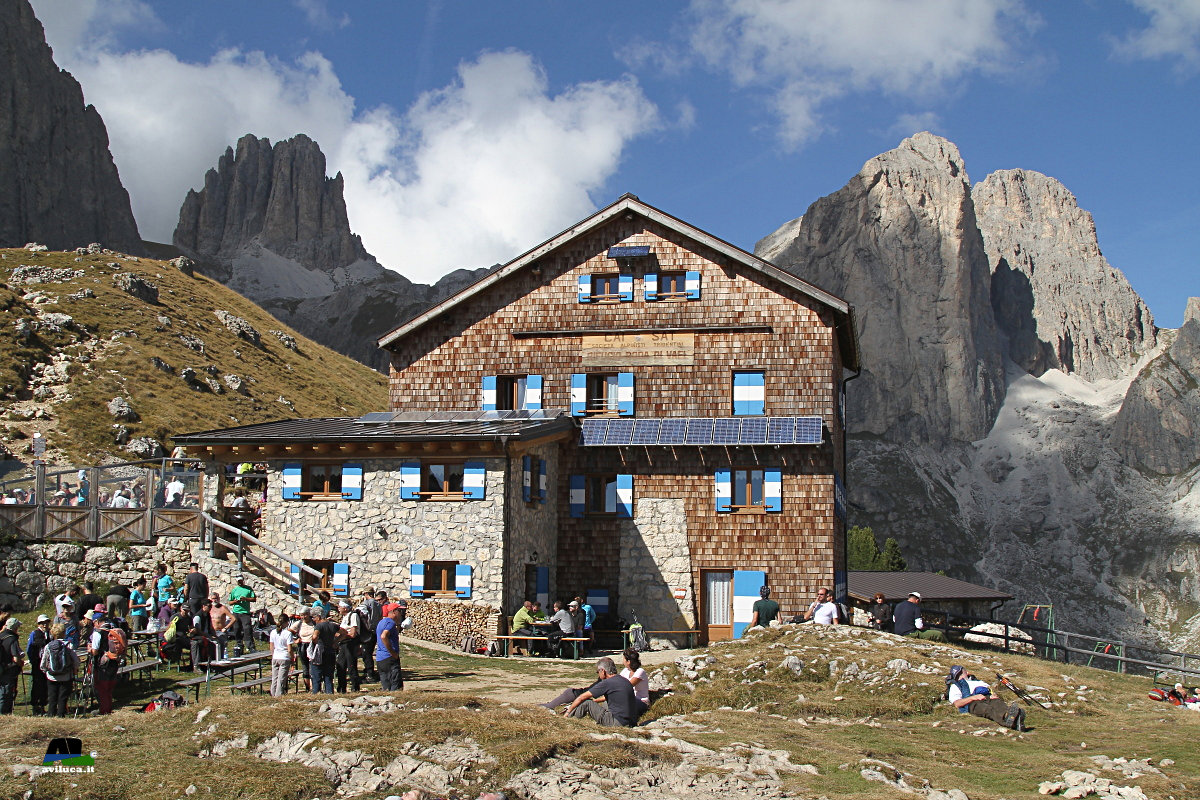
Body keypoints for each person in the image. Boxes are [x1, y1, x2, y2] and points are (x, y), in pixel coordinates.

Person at [561, 657, 641, 727]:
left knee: (587, 703)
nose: (598, 674)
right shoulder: (625, 680)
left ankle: (569, 720)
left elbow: (582, 697)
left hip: (618, 723)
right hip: (631, 722)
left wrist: (568, 711)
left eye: (598, 672)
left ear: (603, 671)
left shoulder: (607, 683)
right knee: (606, 703)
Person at [947, 665, 1026, 731]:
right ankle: (1012, 719)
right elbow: (957, 703)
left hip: (988, 698)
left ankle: (1012, 717)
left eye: (961, 674)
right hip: (972, 703)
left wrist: (993, 694)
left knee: (998, 703)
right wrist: (974, 698)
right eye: (957, 676)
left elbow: (990, 690)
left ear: (967, 673)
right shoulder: (955, 686)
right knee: (986, 709)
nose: (960, 677)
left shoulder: (980, 682)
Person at [41, 623, 79, 717]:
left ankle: (51, 714)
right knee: (63, 697)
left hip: (52, 676)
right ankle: (61, 715)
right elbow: (76, 660)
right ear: (64, 633)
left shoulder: (48, 646)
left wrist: (45, 670)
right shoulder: (68, 645)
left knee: (52, 697)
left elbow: (43, 662)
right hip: (66, 675)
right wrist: (75, 669)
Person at [89, 614, 121, 715]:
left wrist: (90, 649)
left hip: (103, 664)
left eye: (93, 623)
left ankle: (104, 710)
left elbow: (95, 651)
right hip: (114, 661)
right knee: (109, 687)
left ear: (97, 622)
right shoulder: (113, 629)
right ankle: (108, 707)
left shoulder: (98, 632)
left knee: (101, 687)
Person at [307, 608, 344, 694]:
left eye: (313, 617)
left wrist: (315, 643)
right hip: (330, 651)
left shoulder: (319, 626)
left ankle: (316, 693)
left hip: (320, 652)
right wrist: (336, 641)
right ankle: (329, 693)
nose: (312, 620)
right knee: (328, 676)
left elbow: (315, 636)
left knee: (316, 674)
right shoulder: (333, 625)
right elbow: (344, 633)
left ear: (318, 617)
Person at [375, 604, 405, 691]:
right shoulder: (390, 622)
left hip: (380, 658)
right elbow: (384, 636)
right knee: (396, 686)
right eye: (399, 611)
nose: (401, 613)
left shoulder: (381, 622)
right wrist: (393, 653)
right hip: (389, 658)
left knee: (386, 687)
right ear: (394, 612)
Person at [336, 600, 362, 693]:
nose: (338, 608)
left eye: (340, 606)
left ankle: (355, 687)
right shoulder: (345, 617)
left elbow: (353, 633)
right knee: (340, 665)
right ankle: (341, 687)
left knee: (351, 665)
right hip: (343, 644)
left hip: (351, 643)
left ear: (345, 608)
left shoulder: (353, 616)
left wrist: (342, 636)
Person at [27, 614, 51, 716]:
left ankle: (42, 705)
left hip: (46, 664)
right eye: (42, 623)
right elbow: (29, 649)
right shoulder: (34, 634)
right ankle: (35, 706)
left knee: (45, 685)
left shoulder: (50, 633)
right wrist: (33, 660)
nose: (45, 625)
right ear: (38, 624)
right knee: (37, 685)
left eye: (46, 623)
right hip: (37, 663)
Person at [357, 589, 382, 682]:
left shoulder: (366, 604)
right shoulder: (379, 604)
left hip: (367, 632)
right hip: (375, 631)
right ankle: (369, 672)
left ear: (366, 593)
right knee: (369, 652)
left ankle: (369, 674)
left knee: (366, 653)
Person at [0, 618, 24, 714]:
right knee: (6, 694)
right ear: (15, 628)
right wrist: (21, 663)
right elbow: (16, 658)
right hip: (8, 669)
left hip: (1, 667)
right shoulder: (12, 639)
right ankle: (4, 714)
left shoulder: (1, 635)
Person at [268, 609, 295, 697]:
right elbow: (290, 649)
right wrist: (292, 659)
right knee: (281, 679)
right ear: (286, 622)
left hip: (275, 656)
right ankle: (278, 695)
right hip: (284, 657)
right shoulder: (288, 633)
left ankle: (273, 694)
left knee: (274, 678)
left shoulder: (273, 632)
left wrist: (273, 655)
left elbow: (271, 646)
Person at [228, 575, 257, 655]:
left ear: (243, 580)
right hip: (236, 612)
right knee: (237, 629)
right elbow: (230, 602)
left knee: (247, 629)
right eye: (238, 581)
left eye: (241, 581)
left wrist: (245, 599)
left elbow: (254, 599)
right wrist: (235, 601)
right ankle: (239, 645)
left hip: (245, 612)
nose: (240, 582)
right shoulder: (234, 590)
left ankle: (250, 646)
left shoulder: (248, 589)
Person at [620, 648, 651, 715]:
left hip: (641, 701)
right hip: (630, 699)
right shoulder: (625, 671)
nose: (622, 661)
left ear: (628, 661)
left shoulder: (640, 672)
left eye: (624, 659)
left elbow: (628, 685)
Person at [189, 598, 217, 667]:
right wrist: (208, 636)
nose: (210, 608)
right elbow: (198, 631)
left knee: (220, 640)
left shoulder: (208, 615)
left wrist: (215, 635)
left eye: (211, 606)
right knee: (211, 643)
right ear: (203, 606)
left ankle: (216, 662)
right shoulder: (198, 617)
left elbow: (210, 627)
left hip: (207, 635)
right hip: (199, 636)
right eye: (209, 606)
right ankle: (205, 664)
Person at [208, 592, 235, 660]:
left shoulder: (223, 608)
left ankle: (221, 660)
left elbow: (233, 619)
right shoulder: (209, 608)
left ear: (219, 599)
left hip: (220, 631)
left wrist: (226, 628)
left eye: (216, 598)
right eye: (213, 599)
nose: (214, 600)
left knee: (221, 647)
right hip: (211, 631)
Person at [295, 607, 315, 692]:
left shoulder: (314, 623)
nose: (303, 617)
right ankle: (307, 687)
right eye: (301, 615)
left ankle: (314, 686)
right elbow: (289, 631)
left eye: (305, 615)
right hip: (302, 646)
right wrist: (295, 640)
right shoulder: (299, 623)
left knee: (313, 666)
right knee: (305, 667)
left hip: (312, 645)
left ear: (309, 614)